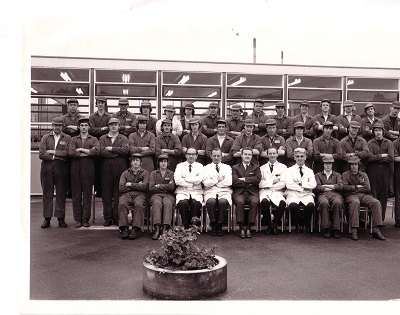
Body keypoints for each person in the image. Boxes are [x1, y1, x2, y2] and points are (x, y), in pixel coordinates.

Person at [342, 156, 385, 241]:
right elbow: (345, 187)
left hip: (364, 195)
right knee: (355, 202)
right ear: (349, 166)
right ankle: (354, 229)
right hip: (351, 196)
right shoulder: (345, 174)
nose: (354, 167)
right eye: (352, 165)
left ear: (359, 165)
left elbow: (368, 188)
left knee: (376, 202)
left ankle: (376, 229)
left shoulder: (363, 174)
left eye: (356, 164)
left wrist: (355, 188)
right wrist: (357, 187)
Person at [39, 117, 71, 228]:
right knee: (47, 192)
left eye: (59, 125)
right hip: (46, 167)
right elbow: (41, 154)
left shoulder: (67, 138)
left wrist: (52, 152)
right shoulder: (45, 138)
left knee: (61, 192)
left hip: (61, 168)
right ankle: (46, 218)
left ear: (62, 126)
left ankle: (60, 218)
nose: (57, 127)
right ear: (52, 126)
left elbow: (67, 153)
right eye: (55, 125)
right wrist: (57, 156)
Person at [69, 116, 100, 228]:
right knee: (76, 194)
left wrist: (81, 150)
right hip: (75, 168)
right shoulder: (73, 139)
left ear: (89, 127)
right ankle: (78, 219)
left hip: (89, 168)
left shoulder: (94, 139)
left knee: (87, 194)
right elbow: (71, 152)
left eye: (86, 125)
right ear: (79, 127)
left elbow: (96, 151)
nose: (84, 127)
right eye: (82, 125)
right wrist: (88, 152)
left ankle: (85, 219)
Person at [99, 118, 129, 226]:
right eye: (111, 124)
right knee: (106, 191)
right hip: (106, 165)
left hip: (120, 165)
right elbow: (101, 151)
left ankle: (117, 217)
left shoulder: (124, 138)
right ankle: (107, 217)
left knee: (118, 191)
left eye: (115, 124)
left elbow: (125, 150)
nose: (113, 126)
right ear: (108, 126)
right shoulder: (103, 138)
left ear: (119, 126)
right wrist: (117, 152)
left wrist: (111, 149)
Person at [366, 122, 394, 222]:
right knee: (373, 195)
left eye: (380, 130)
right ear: (373, 132)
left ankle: (380, 221)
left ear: (383, 131)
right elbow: (369, 158)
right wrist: (382, 156)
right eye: (376, 130)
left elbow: (391, 157)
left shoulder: (389, 143)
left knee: (383, 196)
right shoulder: (370, 143)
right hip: (373, 173)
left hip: (385, 172)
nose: (378, 133)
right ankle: (372, 220)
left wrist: (376, 158)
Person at [232, 147, 262, 238]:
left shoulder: (256, 167)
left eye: (249, 154)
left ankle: (249, 227)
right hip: (239, 192)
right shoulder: (235, 167)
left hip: (252, 192)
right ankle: (241, 228)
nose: (247, 156)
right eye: (245, 154)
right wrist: (249, 181)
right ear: (241, 155)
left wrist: (244, 179)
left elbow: (257, 180)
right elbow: (234, 181)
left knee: (255, 202)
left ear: (252, 156)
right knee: (240, 202)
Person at [285, 148, 317, 233]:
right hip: (293, 193)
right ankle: (297, 224)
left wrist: (300, 184)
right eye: (297, 156)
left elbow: (313, 184)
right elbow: (289, 184)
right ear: (294, 158)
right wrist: (304, 186)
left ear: (305, 157)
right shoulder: (289, 170)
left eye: (302, 156)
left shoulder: (310, 171)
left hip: (307, 194)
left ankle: (305, 224)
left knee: (310, 205)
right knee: (293, 205)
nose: (300, 158)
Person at [118, 154, 149, 240]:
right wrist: (138, 185)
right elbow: (121, 187)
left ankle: (135, 228)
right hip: (127, 194)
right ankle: (124, 228)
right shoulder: (125, 173)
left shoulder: (145, 173)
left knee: (139, 204)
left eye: (137, 160)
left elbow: (144, 187)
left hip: (140, 194)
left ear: (141, 162)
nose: (135, 162)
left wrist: (130, 184)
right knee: (122, 203)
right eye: (134, 160)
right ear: (131, 162)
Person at [202, 148, 233, 236]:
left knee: (223, 202)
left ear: (221, 156)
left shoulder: (227, 167)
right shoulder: (206, 168)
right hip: (210, 191)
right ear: (211, 156)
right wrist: (218, 180)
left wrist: (214, 182)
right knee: (211, 202)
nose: (216, 158)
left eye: (218, 156)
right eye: (214, 156)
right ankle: (213, 223)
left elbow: (229, 182)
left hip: (224, 191)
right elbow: (206, 183)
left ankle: (219, 225)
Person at [259, 147, 287, 235]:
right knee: (264, 202)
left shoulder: (283, 167)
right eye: (270, 153)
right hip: (265, 192)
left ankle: (274, 225)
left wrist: (268, 185)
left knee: (282, 203)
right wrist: (272, 182)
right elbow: (260, 184)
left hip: (277, 192)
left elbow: (283, 183)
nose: (272, 155)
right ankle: (269, 225)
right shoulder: (262, 168)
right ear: (267, 155)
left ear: (277, 154)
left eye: (274, 153)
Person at [174, 148, 204, 229]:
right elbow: (177, 180)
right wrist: (192, 183)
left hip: (196, 191)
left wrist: (185, 179)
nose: (191, 156)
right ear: (186, 155)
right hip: (182, 191)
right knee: (183, 203)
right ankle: (186, 225)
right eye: (189, 154)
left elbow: (199, 179)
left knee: (196, 203)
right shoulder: (179, 166)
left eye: (193, 154)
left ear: (196, 156)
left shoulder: (200, 166)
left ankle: (194, 225)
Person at [314, 156, 343, 238]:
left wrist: (325, 186)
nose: (328, 165)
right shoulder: (318, 175)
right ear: (323, 164)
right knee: (324, 203)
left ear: (332, 165)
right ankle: (325, 228)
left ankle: (336, 228)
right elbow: (318, 187)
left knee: (337, 203)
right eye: (326, 163)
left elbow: (340, 186)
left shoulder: (337, 175)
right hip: (323, 194)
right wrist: (333, 186)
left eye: (330, 163)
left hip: (335, 194)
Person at [148, 154, 176, 240]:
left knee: (167, 203)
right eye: (161, 162)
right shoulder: (153, 173)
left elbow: (172, 187)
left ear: (168, 163)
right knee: (157, 203)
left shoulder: (171, 173)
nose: (163, 163)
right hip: (156, 195)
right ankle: (156, 228)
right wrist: (166, 186)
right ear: (158, 163)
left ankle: (165, 228)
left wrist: (159, 185)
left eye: (165, 162)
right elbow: (151, 187)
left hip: (168, 195)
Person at [89, 96, 111, 197]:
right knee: (96, 169)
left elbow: (110, 129)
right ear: (96, 104)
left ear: (105, 104)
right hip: (94, 144)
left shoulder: (109, 117)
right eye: (99, 102)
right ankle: (97, 190)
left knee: (105, 169)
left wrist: (99, 130)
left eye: (102, 102)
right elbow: (91, 130)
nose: (101, 104)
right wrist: (103, 129)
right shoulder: (92, 117)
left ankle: (105, 190)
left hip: (106, 144)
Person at [393, 137, 400, 228]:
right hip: (398, 172)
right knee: (398, 196)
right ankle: (398, 220)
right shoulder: (395, 143)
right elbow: (394, 158)